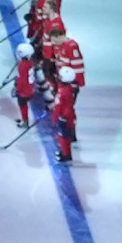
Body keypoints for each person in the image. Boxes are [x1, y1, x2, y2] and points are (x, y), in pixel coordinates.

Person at [42, 20, 86, 163]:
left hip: (69, 85)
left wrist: (74, 85)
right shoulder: (60, 46)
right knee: (69, 110)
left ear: (60, 36)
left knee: (67, 111)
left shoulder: (71, 46)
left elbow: (78, 66)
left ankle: (69, 134)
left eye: (55, 40)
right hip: (64, 82)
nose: (54, 43)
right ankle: (71, 135)